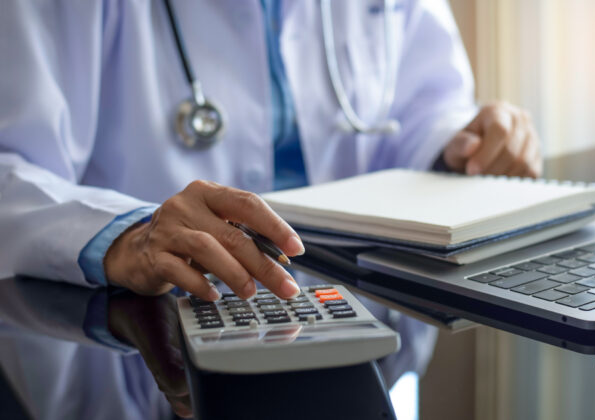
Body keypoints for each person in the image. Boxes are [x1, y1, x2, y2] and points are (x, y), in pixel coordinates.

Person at [0, 1, 541, 418]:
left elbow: (424, 103)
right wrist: (128, 233)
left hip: (364, 331)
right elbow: (9, 166)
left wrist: (461, 141)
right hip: (143, 347)